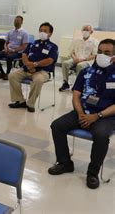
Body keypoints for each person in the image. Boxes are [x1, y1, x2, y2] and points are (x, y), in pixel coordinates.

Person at [49, 39, 115, 189]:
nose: (101, 55)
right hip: (82, 111)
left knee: (101, 135)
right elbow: (76, 95)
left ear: (114, 57)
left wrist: (97, 116)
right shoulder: (86, 71)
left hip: (106, 116)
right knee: (57, 126)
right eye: (99, 51)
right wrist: (80, 114)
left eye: (107, 53)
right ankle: (65, 162)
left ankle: (92, 173)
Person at [8, 22, 59, 113]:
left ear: (50, 33)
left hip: (42, 71)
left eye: (45, 31)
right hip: (27, 68)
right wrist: (28, 64)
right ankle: (20, 100)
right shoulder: (33, 43)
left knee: (38, 80)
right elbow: (24, 54)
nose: (42, 32)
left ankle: (30, 104)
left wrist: (35, 65)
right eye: (40, 30)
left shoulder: (53, 47)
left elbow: (50, 60)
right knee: (12, 75)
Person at [59, 25, 98, 91]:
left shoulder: (95, 42)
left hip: (87, 61)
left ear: (91, 32)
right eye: (84, 30)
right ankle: (65, 83)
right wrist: (74, 58)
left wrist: (83, 59)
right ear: (82, 31)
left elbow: (94, 55)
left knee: (80, 65)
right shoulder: (76, 40)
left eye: (87, 30)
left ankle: (77, 85)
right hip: (75, 59)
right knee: (65, 63)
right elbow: (71, 51)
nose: (85, 31)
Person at [0, 15, 29, 80]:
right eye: (15, 20)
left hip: (18, 52)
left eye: (18, 21)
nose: (16, 22)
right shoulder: (10, 32)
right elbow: (6, 42)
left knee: (9, 57)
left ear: (21, 22)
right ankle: (2, 72)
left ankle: (8, 73)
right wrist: (6, 48)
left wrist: (14, 50)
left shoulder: (24, 33)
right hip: (8, 50)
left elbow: (24, 46)